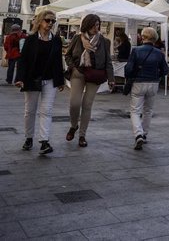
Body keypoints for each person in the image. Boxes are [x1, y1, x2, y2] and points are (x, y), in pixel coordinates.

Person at [15, 11, 65, 154]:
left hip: (50, 79)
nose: (50, 23)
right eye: (48, 20)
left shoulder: (56, 40)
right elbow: (23, 60)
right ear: (40, 21)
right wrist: (19, 78)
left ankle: (44, 141)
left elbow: (57, 62)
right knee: (29, 111)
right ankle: (29, 138)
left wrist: (60, 80)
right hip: (32, 78)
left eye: (53, 21)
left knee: (47, 111)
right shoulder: (30, 39)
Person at [64, 14, 115, 148]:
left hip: (95, 75)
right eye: (93, 25)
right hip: (78, 73)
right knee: (74, 103)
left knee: (87, 105)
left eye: (98, 25)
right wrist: (72, 67)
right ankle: (73, 126)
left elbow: (108, 61)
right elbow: (68, 55)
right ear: (87, 25)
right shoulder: (77, 38)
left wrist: (111, 78)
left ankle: (82, 135)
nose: (96, 28)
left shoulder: (104, 41)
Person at [125, 27, 169, 150]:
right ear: (155, 39)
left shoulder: (136, 51)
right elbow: (165, 70)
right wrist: (157, 76)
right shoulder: (159, 53)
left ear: (142, 37)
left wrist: (131, 76)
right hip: (153, 83)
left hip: (139, 82)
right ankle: (144, 134)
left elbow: (128, 69)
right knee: (148, 110)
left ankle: (138, 134)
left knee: (135, 110)